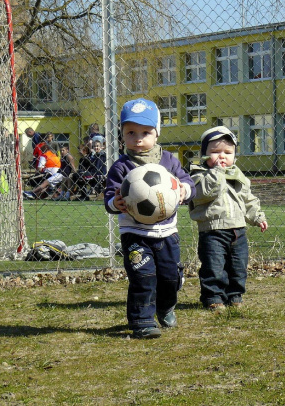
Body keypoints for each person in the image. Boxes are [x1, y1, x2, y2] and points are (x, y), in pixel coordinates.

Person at [104, 98, 195, 339]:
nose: (138, 138)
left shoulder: (169, 161)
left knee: (169, 278)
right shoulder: (121, 167)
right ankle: (142, 321)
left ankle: (165, 307)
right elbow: (108, 199)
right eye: (131, 132)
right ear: (122, 135)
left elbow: (188, 181)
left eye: (146, 132)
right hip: (135, 235)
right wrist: (116, 203)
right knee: (142, 277)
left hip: (167, 234)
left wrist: (185, 190)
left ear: (157, 133)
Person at [189, 126, 269, 311]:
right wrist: (216, 172)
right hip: (212, 230)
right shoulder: (198, 175)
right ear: (204, 155)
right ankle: (213, 297)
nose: (222, 156)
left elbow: (248, 199)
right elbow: (207, 193)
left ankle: (235, 295)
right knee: (214, 267)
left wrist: (257, 217)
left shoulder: (237, 175)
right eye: (215, 152)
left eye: (227, 152)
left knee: (238, 266)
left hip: (238, 230)